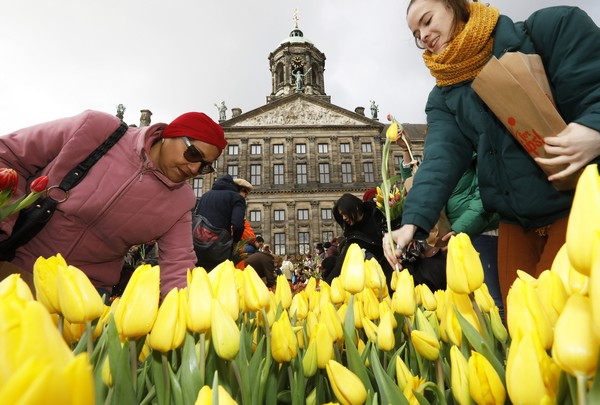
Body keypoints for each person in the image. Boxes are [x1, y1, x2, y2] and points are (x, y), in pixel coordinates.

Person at [384, 0, 600, 308]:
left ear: (455, 5)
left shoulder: (551, 29)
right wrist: (411, 222)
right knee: (521, 321)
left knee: (566, 315)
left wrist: (594, 130)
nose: (424, 35)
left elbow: (593, 86)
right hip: (516, 218)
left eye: (427, 20)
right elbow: (440, 158)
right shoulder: (444, 95)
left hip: (577, 203)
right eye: (416, 34)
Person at [0, 110, 226, 297]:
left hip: (84, 297)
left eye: (204, 166)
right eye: (193, 154)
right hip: (16, 268)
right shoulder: (98, 130)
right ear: (170, 135)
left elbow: (178, 265)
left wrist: (185, 315)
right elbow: (9, 155)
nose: (194, 168)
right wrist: (4, 222)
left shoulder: (181, 201)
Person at [325, 193, 393, 289]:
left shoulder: (377, 211)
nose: (344, 218)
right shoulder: (353, 236)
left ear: (356, 207)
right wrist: (326, 286)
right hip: (380, 270)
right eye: (341, 215)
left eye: (345, 213)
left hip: (395, 258)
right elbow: (342, 262)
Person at [193, 174, 246, 271]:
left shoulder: (205, 196)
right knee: (219, 276)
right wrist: (235, 242)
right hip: (219, 247)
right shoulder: (236, 198)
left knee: (199, 275)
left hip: (198, 244)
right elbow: (237, 225)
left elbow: (196, 217)